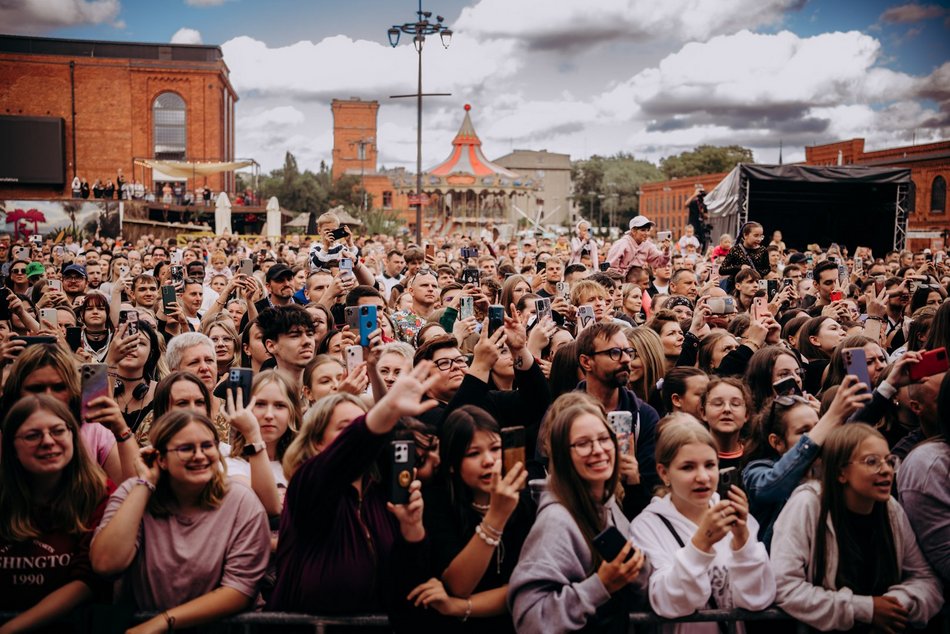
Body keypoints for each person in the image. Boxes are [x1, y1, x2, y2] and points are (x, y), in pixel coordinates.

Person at [267, 364, 436, 615]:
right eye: (346, 428)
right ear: (317, 442)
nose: (361, 438)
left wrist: (412, 531)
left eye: (361, 425)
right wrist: (387, 409)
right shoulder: (308, 485)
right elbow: (345, 453)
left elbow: (408, 589)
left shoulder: (380, 495)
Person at [91, 410, 271, 633]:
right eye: (186, 448)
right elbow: (105, 564)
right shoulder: (134, 492)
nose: (199, 455)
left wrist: (162, 622)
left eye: (207, 446)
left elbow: (239, 591)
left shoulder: (241, 501)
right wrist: (145, 484)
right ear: (161, 458)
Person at [771, 424, 944, 632]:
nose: (886, 470)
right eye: (872, 461)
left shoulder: (890, 509)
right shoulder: (808, 504)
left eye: (890, 461)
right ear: (841, 472)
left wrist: (896, 603)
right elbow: (785, 586)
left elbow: (925, 579)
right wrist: (866, 609)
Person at [508, 396, 650, 633]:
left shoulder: (605, 503)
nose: (598, 450)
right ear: (562, 455)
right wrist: (600, 585)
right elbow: (530, 620)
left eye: (604, 439)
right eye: (583, 443)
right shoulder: (557, 521)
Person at [629, 419, 775, 633]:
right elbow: (668, 603)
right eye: (688, 467)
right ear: (664, 473)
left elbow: (758, 599)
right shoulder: (646, 527)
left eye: (710, 465)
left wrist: (743, 541)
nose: (703, 477)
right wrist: (701, 544)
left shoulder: (732, 515)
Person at [410, 406, 532, 631]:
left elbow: (525, 588)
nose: (488, 461)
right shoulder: (436, 504)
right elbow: (458, 586)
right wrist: (496, 517)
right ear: (452, 464)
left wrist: (459, 607)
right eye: (473, 453)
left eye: (495, 448)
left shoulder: (524, 500)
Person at [0, 395, 113, 634]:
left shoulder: (98, 494)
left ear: (73, 435)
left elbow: (89, 581)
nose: (48, 441)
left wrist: (9, 629)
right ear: (11, 446)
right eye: (32, 435)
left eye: (58, 431)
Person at [741, 376, 869, 550]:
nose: (817, 436)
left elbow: (856, 428)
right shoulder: (756, 471)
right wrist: (830, 417)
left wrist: (889, 386)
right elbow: (772, 485)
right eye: (804, 432)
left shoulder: (826, 468)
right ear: (776, 442)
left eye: (818, 427)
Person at [223, 370, 300, 518]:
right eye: (260, 404)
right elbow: (269, 508)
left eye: (279, 405)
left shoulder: (304, 463)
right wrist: (253, 436)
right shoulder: (230, 465)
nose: (269, 415)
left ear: (292, 412)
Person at [606, 215, 671, 272]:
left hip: (638, 280)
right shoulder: (621, 244)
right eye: (643, 230)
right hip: (620, 281)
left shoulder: (648, 245)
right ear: (633, 231)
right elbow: (610, 268)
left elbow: (659, 263)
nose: (647, 233)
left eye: (648, 230)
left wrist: (666, 250)